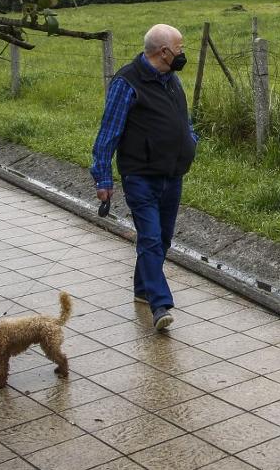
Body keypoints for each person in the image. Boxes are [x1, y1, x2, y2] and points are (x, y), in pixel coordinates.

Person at [91, 23, 197, 331]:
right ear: (164, 52)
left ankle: (141, 288)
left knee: (162, 239)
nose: (182, 53)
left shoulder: (171, 80)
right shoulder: (127, 82)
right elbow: (108, 133)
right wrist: (103, 178)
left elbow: (183, 120)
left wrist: (190, 140)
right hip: (140, 176)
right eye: (180, 48)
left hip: (173, 173)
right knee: (150, 238)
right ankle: (160, 304)